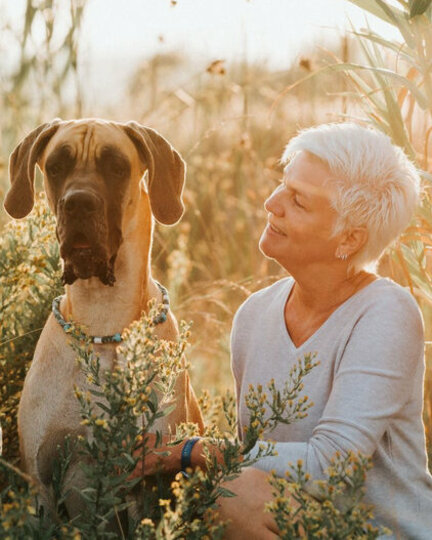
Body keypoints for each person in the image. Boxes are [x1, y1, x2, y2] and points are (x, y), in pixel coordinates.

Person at [135, 123, 432, 539]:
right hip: (304, 524)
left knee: (233, 489)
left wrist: (194, 451)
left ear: (348, 237)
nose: (272, 203)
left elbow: (330, 466)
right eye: (282, 185)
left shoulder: (386, 312)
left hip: (384, 533)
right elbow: (257, 458)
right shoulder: (254, 316)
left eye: (299, 201)